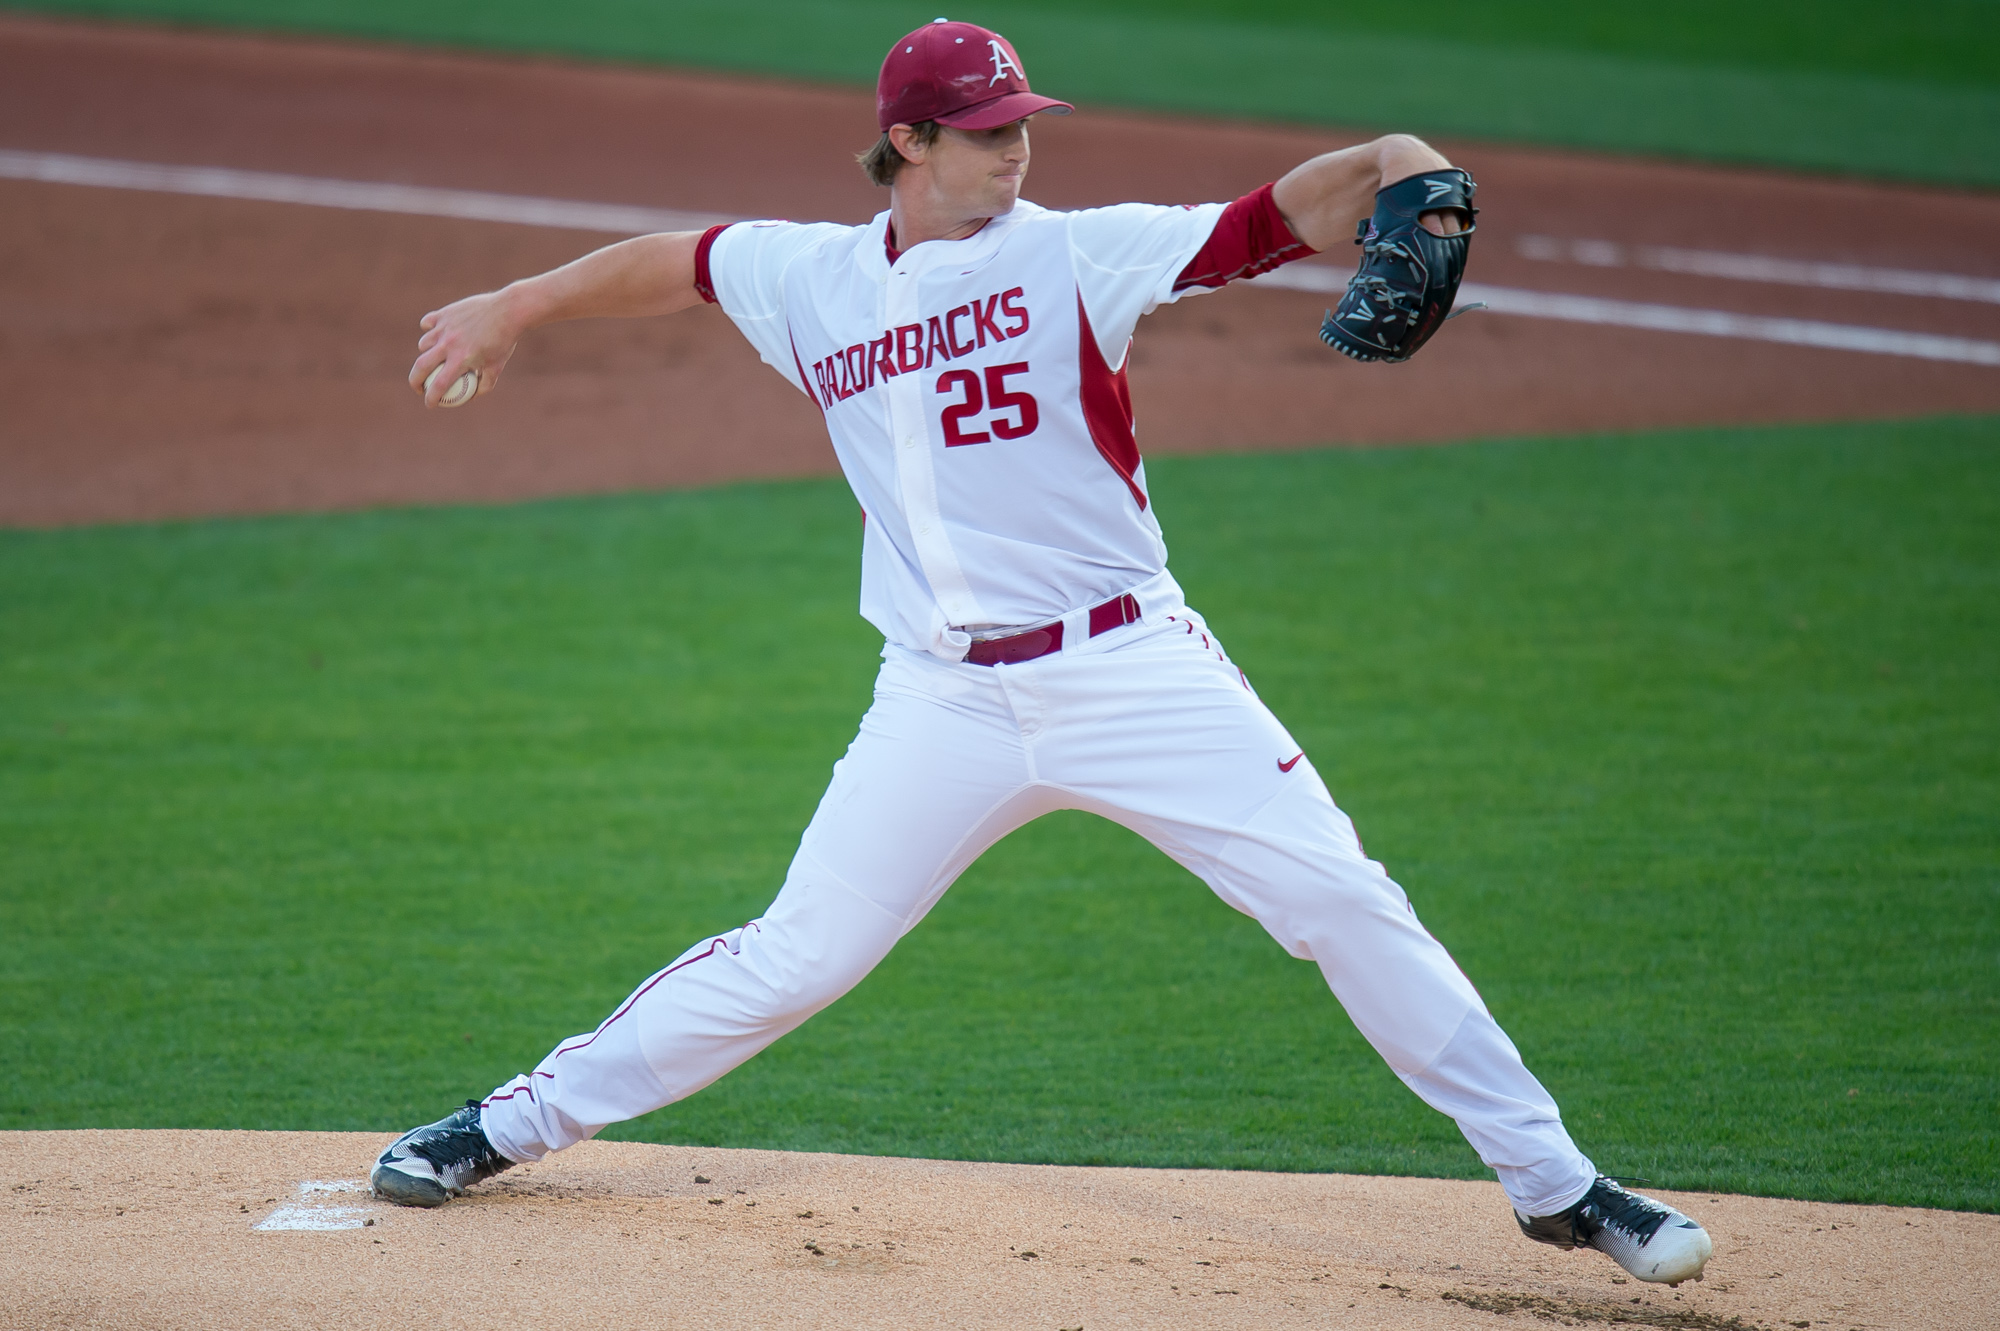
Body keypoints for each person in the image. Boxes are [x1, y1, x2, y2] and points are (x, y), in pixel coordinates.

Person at [372, 18, 1712, 1287]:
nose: (1016, 148)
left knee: (1346, 904)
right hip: (941, 700)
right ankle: (504, 1126)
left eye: (1022, 123)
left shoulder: (1077, 252)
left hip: (1135, 674)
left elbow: (1271, 221)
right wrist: (518, 303)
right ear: (908, 142)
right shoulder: (813, 277)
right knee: (796, 957)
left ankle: (1556, 1183)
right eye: (984, 129)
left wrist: (1394, 164)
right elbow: (684, 260)